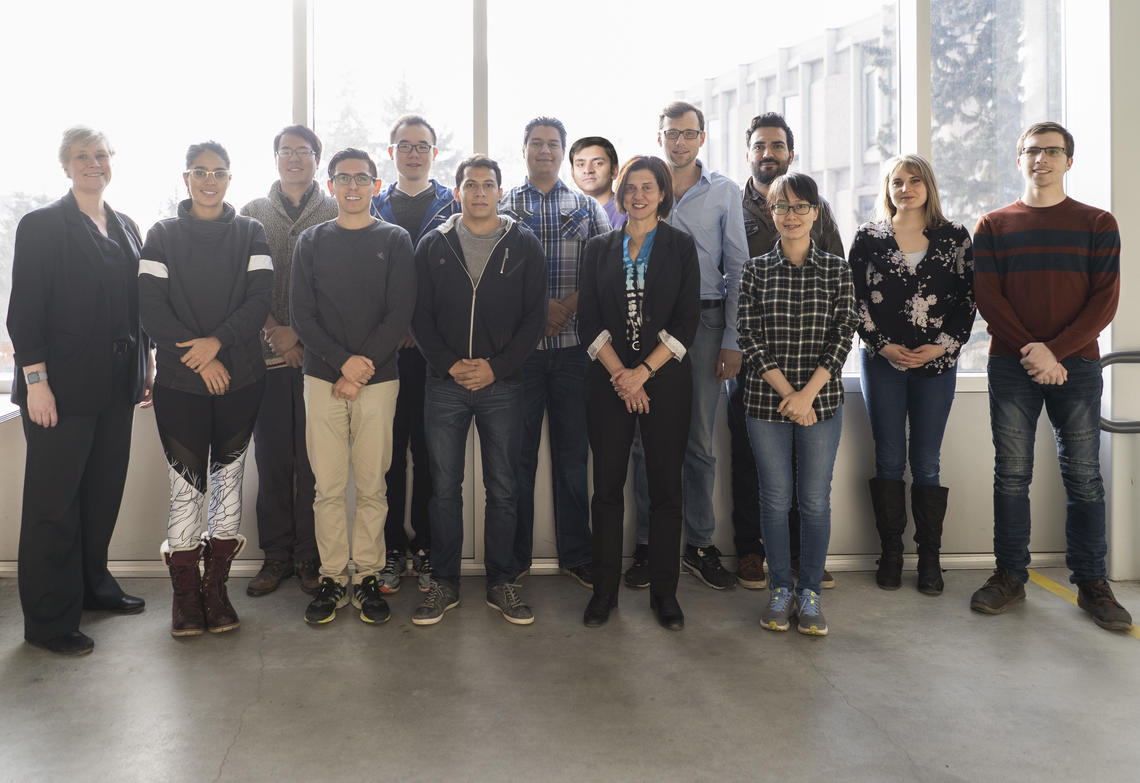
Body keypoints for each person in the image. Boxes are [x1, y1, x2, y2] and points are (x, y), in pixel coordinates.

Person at [970, 122, 1130, 631]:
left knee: (1083, 475)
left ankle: (1092, 583)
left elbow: (1105, 300)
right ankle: (1009, 577)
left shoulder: (1098, 223)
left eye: (1052, 151)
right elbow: (988, 298)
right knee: (1012, 474)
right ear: (1019, 159)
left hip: (1076, 364)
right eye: (1032, 151)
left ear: (1069, 161)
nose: (1041, 159)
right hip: (1011, 364)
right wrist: (1033, 351)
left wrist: (1055, 351)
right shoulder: (992, 224)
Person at [8, 127, 151, 656]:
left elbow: (136, 306)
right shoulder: (43, 226)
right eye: (82, 156)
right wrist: (37, 384)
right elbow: (25, 313)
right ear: (65, 166)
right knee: (54, 505)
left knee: (100, 495)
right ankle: (48, 620)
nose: (94, 163)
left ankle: (94, 587)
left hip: (116, 386)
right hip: (60, 392)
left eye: (102, 155)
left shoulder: (126, 225)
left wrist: (147, 363)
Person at [140, 141, 273, 637]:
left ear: (230, 178)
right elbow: (151, 309)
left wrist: (217, 343)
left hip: (241, 380)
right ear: (186, 178)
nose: (209, 180)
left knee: (227, 485)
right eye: (200, 171)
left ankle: (216, 591)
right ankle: (185, 598)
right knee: (186, 490)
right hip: (180, 384)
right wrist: (201, 359)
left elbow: (259, 301)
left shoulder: (251, 232)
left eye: (218, 172)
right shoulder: (161, 235)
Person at [412, 155, 547, 626]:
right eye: (471, 185)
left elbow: (534, 318)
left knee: (504, 488)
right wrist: (449, 364)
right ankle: (444, 583)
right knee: (443, 489)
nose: (480, 192)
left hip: (502, 385)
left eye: (488, 185)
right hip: (444, 385)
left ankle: (501, 581)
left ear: (500, 193)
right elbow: (418, 316)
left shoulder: (523, 244)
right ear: (458, 192)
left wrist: (496, 368)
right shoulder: (433, 244)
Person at [625, 101, 748, 592]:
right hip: (647, 323)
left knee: (699, 441)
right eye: (672, 134)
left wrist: (733, 339)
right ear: (660, 137)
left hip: (706, 323)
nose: (679, 142)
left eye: (688, 134)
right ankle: (648, 545)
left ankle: (699, 545)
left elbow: (737, 267)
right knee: (644, 442)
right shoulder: (641, 188)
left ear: (702, 137)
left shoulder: (723, 191)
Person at [290, 148, 416, 625]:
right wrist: (343, 365)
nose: (353, 186)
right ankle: (331, 578)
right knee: (327, 487)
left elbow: (399, 311)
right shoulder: (311, 241)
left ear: (376, 185)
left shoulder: (395, 239)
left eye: (362, 178)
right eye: (343, 178)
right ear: (331, 186)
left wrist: (360, 369)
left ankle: (366, 576)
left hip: (378, 381)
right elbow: (303, 314)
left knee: (372, 485)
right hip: (322, 378)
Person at [578, 156, 699, 630]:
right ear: (621, 192)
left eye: (648, 187)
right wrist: (622, 376)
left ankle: (665, 595)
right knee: (606, 490)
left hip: (665, 382)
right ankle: (604, 593)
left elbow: (687, 322)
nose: (638, 195)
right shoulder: (598, 248)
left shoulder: (681, 247)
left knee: (666, 491)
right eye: (631, 187)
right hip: (608, 382)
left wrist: (642, 374)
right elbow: (589, 321)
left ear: (662, 193)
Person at [727, 112, 845, 592]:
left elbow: (840, 297)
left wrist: (809, 389)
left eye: (776, 145)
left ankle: (802, 560)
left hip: (813, 369)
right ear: (748, 153)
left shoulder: (818, 207)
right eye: (759, 146)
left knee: (808, 482)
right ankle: (752, 552)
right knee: (751, 463)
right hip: (756, 364)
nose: (767, 153)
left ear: (790, 153)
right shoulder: (731, 204)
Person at [738, 172, 857, 637]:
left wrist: (807, 395)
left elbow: (843, 335)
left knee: (813, 500)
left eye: (800, 207)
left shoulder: (837, 270)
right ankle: (780, 589)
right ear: (771, 213)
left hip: (820, 403)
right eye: (782, 207)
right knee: (774, 498)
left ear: (816, 212)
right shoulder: (754, 271)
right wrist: (789, 394)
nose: (791, 215)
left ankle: (809, 592)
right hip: (766, 403)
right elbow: (749, 338)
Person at [850, 153, 975, 595]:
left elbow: (968, 299)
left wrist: (941, 346)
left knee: (926, 460)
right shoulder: (869, 237)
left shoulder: (955, 236)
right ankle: (890, 554)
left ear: (928, 186)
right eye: (897, 182)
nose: (906, 189)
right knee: (887, 456)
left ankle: (929, 559)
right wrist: (882, 344)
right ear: (888, 188)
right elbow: (854, 299)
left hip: (936, 365)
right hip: (881, 362)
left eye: (915, 181)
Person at [500, 117, 610, 588]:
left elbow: (606, 268)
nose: (544, 150)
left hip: (574, 353)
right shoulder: (503, 205)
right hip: (519, 355)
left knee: (572, 459)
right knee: (517, 460)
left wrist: (567, 306)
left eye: (552, 144)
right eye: (536, 143)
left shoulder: (586, 207)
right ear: (524, 149)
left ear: (562, 152)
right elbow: (491, 276)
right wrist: (539, 308)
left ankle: (577, 556)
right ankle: (515, 558)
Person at [241, 124, 338, 598]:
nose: (294, 158)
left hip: (320, 359)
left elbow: (341, 286)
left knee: (314, 463)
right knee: (273, 460)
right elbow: (242, 281)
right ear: (275, 157)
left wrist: (297, 332)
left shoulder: (336, 209)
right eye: (286, 151)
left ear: (317, 158)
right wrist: (274, 331)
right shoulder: (252, 213)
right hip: (266, 360)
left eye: (304, 151)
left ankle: (309, 556)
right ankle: (275, 554)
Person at [370, 114, 459, 595]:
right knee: (386, 457)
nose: (413, 153)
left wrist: (418, 329)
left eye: (422, 146)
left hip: (433, 354)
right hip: (382, 353)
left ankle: (425, 548)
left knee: (429, 456)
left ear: (434, 153)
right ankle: (390, 550)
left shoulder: (453, 203)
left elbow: (454, 280)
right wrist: (395, 328)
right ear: (391, 152)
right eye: (404, 145)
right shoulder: (372, 203)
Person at [571, 135, 626, 230]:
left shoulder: (627, 213)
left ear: (614, 170)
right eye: (580, 164)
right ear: (572, 173)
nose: (588, 170)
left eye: (598, 163)